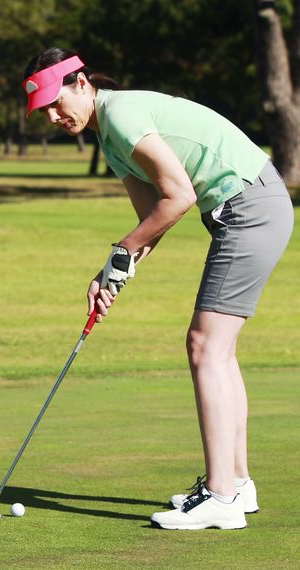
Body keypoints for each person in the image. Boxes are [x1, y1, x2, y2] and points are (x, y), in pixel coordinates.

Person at [23, 48, 293, 530]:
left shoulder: (121, 115)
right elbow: (153, 220)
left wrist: (122, 250)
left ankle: (222, 497)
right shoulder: (109, 139)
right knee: (220, 351)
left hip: (250, 206)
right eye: (42, 110)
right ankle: (237, 483)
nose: (52, 116)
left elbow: (181, 196)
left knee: (204, 345)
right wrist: (113, 273)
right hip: (252, 206)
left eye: (55, 102)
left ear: (82, 82)